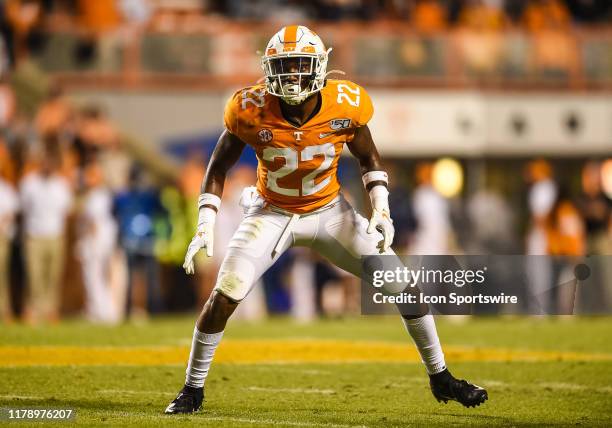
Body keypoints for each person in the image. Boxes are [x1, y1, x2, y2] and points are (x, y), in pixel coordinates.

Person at [165, 25, 487, 414]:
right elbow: (218, 166)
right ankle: (192, 389)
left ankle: (441, 376)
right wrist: (206, 222)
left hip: (329, 211)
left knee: (402, 284)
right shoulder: (249, 108)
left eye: (300, 65)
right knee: (226, 290)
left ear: (319, 67)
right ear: (269, 69)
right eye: (284, 66)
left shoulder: (346, 103)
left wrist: (380, 209)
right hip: (272, 211)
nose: (292, 75)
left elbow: (369, 159)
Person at [19, 155, 73, 323]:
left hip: (55, 235)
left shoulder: (61, 185)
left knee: (52, 275)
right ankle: (33, 308)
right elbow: (24, 208)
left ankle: (50, 309)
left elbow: (66, 211)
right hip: (34, 235)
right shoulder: (29, 183)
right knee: (35, 274)